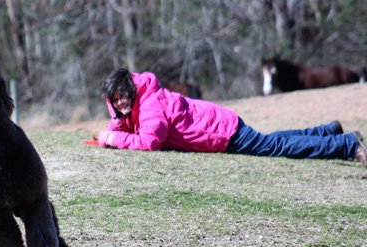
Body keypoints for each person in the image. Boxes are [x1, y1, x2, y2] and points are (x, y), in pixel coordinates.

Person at [95, 68, 367, 167]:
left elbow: (149, 143)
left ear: (132, 90)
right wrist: (116, 122)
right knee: (270, 142)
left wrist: (112, 138)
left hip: (222, 132)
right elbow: (128, 130)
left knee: (276, 148)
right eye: (115, 100)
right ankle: (328, 131)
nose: (120, 103)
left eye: (123, 96)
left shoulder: (150, 104)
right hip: (222, 126)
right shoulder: (142, 100)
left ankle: (347, 145)